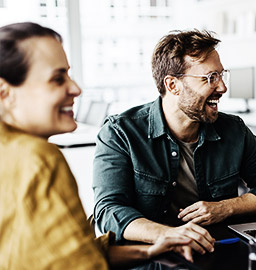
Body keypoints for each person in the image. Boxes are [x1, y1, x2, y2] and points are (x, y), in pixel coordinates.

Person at [0, 22, 192, 269]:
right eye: (57, 79)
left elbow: (49, 254)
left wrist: (146, 252)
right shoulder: (37, 158)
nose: (75, 89)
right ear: (5, 93)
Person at [92, 29, 256, 254]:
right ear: (173, 85)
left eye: (222, 75)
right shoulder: (120, 132)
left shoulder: (234, 130)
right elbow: (108, 210)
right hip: (150, 259)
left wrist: (225, 207)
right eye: (211, 77)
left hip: (216, 253)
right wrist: (168, 234)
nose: (222, 87)